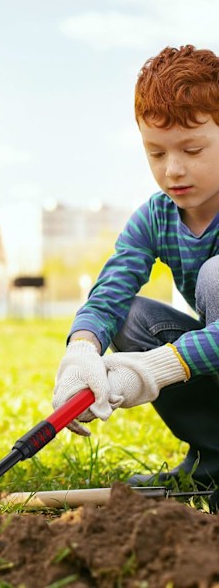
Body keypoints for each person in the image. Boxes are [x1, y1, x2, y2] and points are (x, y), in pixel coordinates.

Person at [52, 44, 219, 489]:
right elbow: (111, 291)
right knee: (127, 316)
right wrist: (82, 350)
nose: (173, 171)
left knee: (214, 276)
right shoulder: (156, 216)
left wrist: (154, 367)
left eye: (192, 149)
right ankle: (213, 460)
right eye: (157, 154)